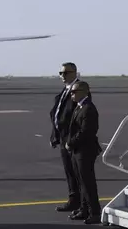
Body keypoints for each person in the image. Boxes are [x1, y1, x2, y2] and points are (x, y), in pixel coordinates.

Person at [65, 81, 102, 224]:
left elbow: (86, 132)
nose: (71, 94)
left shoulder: (88, 109)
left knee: (88, 183)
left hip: (85, 151)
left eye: (74, 91)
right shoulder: (79, 107)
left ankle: (95, 212)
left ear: (84, 92)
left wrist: (71, 143)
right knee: (81, 182)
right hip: (77, 150)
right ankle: (84, 209)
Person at [50, 62, 81, 212]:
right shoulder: (65, 90)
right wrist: (54, 135)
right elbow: (57, 114)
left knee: (78, 174)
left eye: (66, 73)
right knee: (69, 172)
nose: (63, 76)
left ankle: (84, 205)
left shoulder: (80, 89)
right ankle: (74, 200)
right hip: (63, 139)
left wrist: (72, 139)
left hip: (73, 140)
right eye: (61, 73)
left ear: (74, 73)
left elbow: (79, 117)